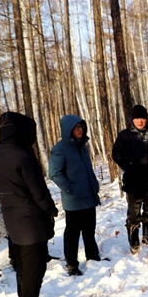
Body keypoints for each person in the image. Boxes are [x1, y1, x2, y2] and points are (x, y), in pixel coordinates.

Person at [0, 112, 58, 297]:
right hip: (30, 221)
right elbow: (38, 190)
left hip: (12, 219)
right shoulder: (22, 155)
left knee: (22, 267)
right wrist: (51, 209)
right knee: (34, 269)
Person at [49, 115, 105, 276]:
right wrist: (70, 188)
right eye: (75, 127)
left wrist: (93, 184)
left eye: (80, 127)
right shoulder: (60, 149)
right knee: (72, 233)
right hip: (74, 199)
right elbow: (54, 173)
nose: (79, 130)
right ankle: (72, 264)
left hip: (88, 195)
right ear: (68, 130)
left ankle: (92, 256)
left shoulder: (82, 146)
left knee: (89, 229)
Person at [112, 105, 148, 253]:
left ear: (147, 119)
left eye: (142, 118)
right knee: (134, 214)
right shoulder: (125, 136)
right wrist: (129, 166)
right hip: (134, 180)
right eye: (137, 119)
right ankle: (134, 242)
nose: (140, 121)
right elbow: (116, 154)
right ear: (132, 120)